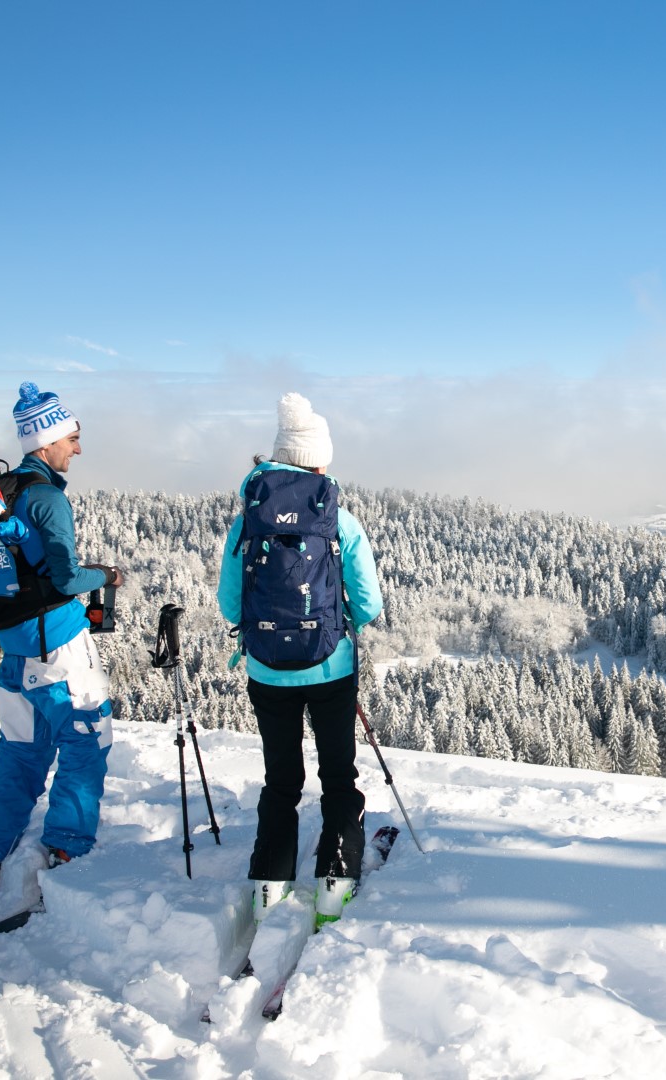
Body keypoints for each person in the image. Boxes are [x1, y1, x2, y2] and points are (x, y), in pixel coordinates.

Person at [218, 392, 384, 925]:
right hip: (331, 666)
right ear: (318, 457)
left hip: (267, 669)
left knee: (281, 779)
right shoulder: (339, 518)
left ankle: (270, 883)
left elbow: (228, 604)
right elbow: (370, 603)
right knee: (338, 774)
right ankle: (335, 881)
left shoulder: (247, 521)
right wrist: (343, 623)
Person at [0, 382, 124, 889]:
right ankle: (66, 849)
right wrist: (106, 575)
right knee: (84, 741)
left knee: (18, 748)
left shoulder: (2, 494)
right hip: (59, 651)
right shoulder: (48, 499)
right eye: (72, 438)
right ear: (47, 441)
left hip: (13, 651)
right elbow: (65, 578)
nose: (77, 448)